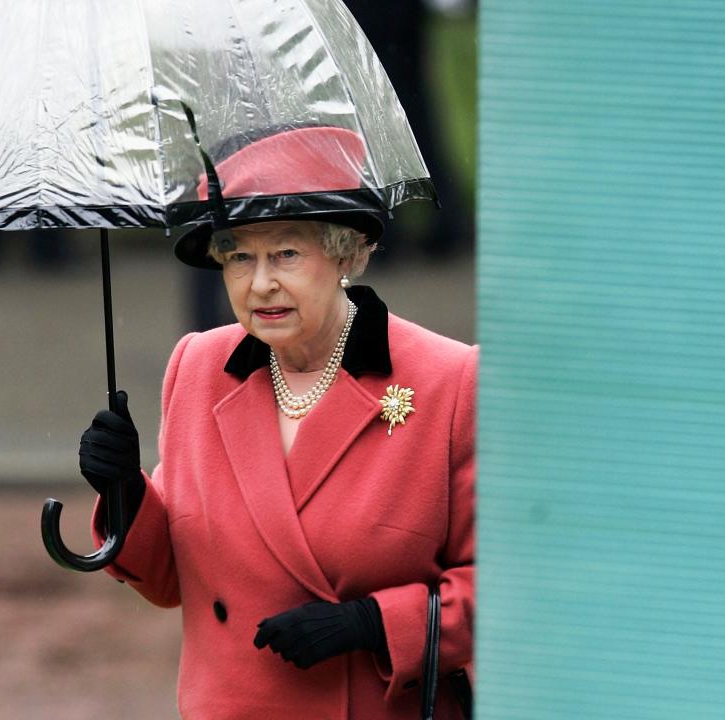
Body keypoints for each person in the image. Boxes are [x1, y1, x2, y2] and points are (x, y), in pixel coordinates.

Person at [78, 126, 476, 720]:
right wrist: (126, 492)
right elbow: (169, 581)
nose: (260, 283)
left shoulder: (450, 381)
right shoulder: (199, 367)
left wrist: (374, 622)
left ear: (346, 252)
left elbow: (504, 590)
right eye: (239, 256)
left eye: (286, 254)